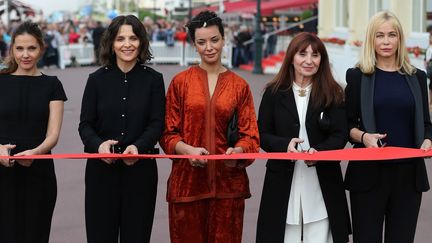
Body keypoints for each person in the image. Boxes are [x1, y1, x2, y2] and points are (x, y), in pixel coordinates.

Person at [160, 11, 259, 243]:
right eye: (202, 42)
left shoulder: (240, 86)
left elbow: (251, 136)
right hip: (187, 187)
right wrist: (187, 151)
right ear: (194, 44)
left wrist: (239, 150)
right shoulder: (180, 82)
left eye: (214, 40)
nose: (209, 47)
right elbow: (167, 134)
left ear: (224, 39)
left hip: (228, 188)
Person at [344, 11, 431, 243]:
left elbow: (426, 124)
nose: (386, 41)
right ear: (371, 39)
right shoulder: (357, 77)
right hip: (368, 177)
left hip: (408, 178)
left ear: (400, 39)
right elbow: (347, 125)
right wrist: (363, 137)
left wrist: (428, 139)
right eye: (379, 35)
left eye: (392, 35)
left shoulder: (417, 77)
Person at [255, 32, 351, 243]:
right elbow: (261, 133)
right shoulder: (273, 93)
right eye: (302, 54)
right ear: (291, 57)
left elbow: (340, 134)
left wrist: (321, 152)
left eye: (315, 55)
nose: (309, 60)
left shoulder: (333, 93)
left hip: (322, 182)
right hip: (282, 182)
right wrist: (284, 145)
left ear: (321, 60)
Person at [78, 15, 165, 243]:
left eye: (133, 38)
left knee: (137, 236)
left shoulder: (154, 80)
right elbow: (85, 125)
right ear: (112, 43)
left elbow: (157, 123)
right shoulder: (96, 80)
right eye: (120, 39)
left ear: (142, 42)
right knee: (100, 236)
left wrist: (138, 146)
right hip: (101, 172)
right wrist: (99, 145)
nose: (127, 44)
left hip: (141, 173)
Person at [0, 21, 67, 243]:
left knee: (36, 236)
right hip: (2, 173)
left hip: (39, 174)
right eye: (19, 48)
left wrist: (37, 152)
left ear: (41, 49)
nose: (25, 55)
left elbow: (53, 134)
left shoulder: (52, 84)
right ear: (12, 50)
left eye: (31, 48)